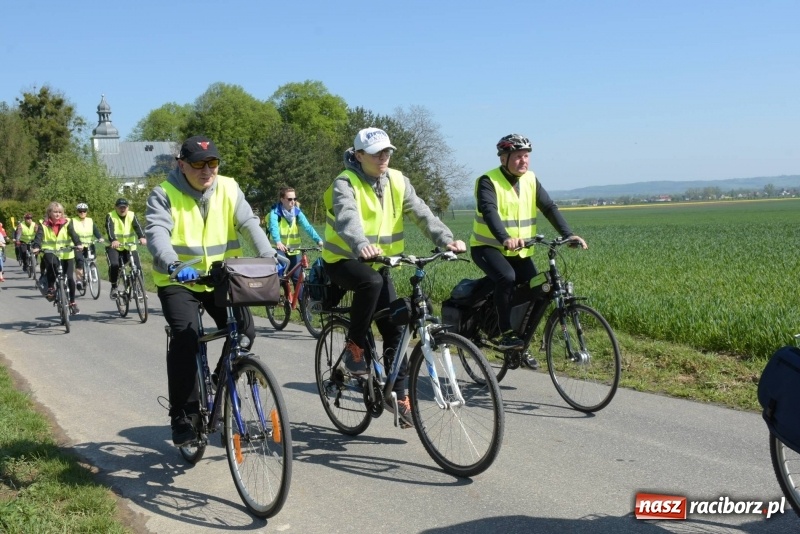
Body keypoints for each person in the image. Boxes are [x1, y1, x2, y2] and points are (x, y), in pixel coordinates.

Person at [322, 127, 466, 428]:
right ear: (359, 156)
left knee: (396, 327)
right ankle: (354, 347)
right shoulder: (345, 182)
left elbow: (422, 213)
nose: (383, 157)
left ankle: (399, 396)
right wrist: (361, 245)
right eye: (376, 153)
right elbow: (348, 216)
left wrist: (446, 240)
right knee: (370, 283)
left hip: (380, 262)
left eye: (387, 151)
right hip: (344, 260)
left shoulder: (398, 181)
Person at [146, 135, 278, 446]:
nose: (207, 170)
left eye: (213, 163)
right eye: (198, 164)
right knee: (186, 338)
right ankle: (184, 414)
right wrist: (173, 263)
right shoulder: (164, 194)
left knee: (245, 331)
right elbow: (157, 232)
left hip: (221, 278)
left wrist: (268, 255)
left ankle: (223, 380)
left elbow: (249, 223)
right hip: (180, 280)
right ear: (182, 164)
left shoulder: (229, 188)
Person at [470, 133, 587, 365]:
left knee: (536, 289)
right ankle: (506, 334)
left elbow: (549, 207)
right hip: (488, 246)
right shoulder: (488, 181)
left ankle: (522, 343)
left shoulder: (531, 179)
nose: (523, 161)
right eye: (518, 157)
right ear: (503, 158)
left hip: (520, 250)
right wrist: (504, 237)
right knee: (507, 277)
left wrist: (568, 234)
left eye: (526, 156)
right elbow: (490, 211)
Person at [31, 202, 84, 314]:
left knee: (70, 278)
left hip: (66, 253)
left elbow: (73, 234)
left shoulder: (67, 222)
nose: (57, 214)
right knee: (51, 265)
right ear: (49, 213)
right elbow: (38, 237)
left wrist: (78, 243)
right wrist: (36, 247)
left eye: (60, 212)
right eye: (55, 212)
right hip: (51, 252)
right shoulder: (43, 224)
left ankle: (73, 302)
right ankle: (51, 287)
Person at [267, 186, 323, 288]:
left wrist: (318, 240)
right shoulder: (275, 213)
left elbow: (307, 227)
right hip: (278, 249)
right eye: (290, 199)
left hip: (294, 250)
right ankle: (274, 297)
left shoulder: (297, 213)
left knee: (298, 279)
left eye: (295, 199)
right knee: (281, 273)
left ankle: (303, 303)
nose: (293, 201)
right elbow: (273, 228)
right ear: (282, 199)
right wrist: (278, 242)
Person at [105, 198, 146, 298]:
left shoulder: (132, 215)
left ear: (128, 208)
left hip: (129, 246)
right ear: (116, 208)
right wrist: (113, 240)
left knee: (137, 267)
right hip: (114, 247)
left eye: (124, 207)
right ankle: (114, 287)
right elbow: (110, 229)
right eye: (120, 207)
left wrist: (142, 237)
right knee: (114, 265)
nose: (122, 209)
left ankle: (139, 289)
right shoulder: (111, 216)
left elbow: (137, 226)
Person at [72, 203, 104, 290]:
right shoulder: (73, 221)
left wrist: (100, 237)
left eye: (84, 211)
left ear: (86, 212)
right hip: (78, 246)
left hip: (89, 244)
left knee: (92, 260)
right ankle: (79, 280)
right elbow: (72, 233)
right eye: (80, 211)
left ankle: (93, 275)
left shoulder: (90, 220)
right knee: (79, 261)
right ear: (77, 212)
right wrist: (76, 243)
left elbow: (95, 230)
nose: (82, 213)